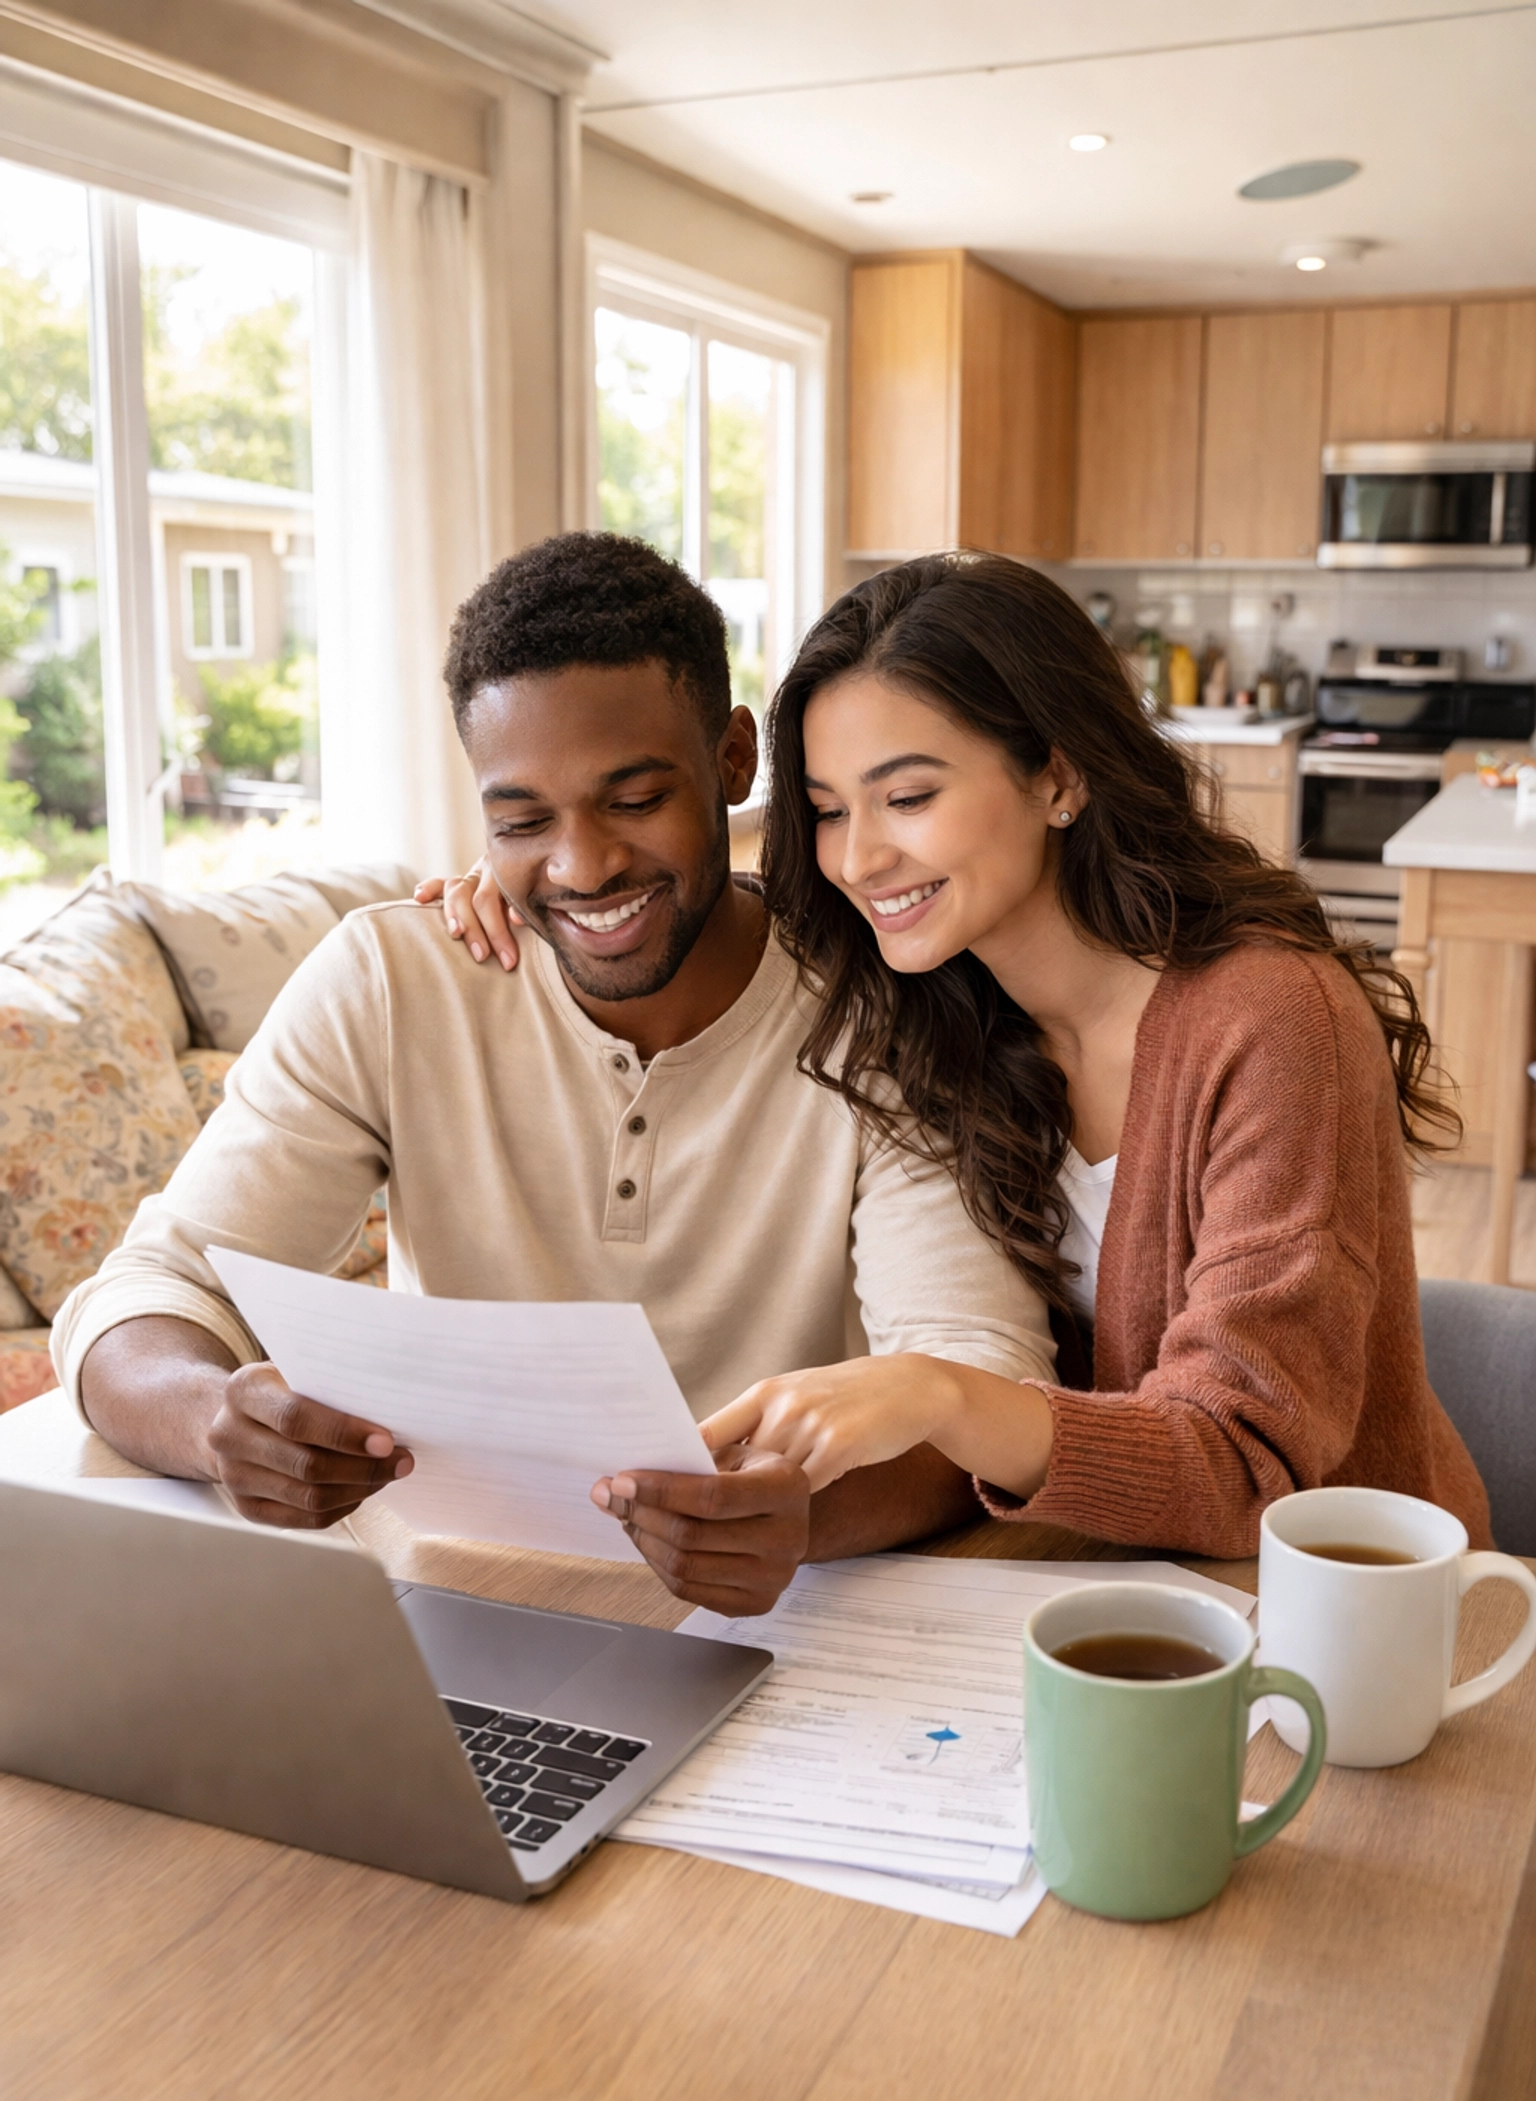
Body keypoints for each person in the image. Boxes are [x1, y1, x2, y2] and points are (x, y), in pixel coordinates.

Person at [54, 535, 1055, 1614]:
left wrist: (805, 1515)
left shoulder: (890, 1008)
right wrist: (212, 1424)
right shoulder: (391, 981)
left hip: (792, 1617)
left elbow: (978, 1384)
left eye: (631, 801)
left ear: (732, 760)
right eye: (522, 821)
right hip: (454, 1605)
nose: (581, 868)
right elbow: (145, 1298)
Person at [446, 552, 1487, 1557]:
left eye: (909, 798)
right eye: (826, 811)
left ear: (1058, 776)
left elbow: (1246, 1461)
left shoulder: (1273, 1022)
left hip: (1342, 1616)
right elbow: (700, 920)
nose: (859, 858)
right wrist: (554, 890)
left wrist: (942, 1396)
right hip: (1076, 1585)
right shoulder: (921, 1000)